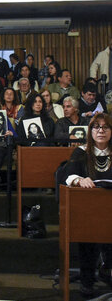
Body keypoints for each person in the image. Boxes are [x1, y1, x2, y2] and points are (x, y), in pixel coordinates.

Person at [62, 113, 112, 297]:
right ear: (90, 131)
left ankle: (107, 270)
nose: (101, 131)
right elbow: (68, 175)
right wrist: (79, 180)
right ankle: (87, 279)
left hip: (110, 209)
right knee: (87, 233)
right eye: (96, 127)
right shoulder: (81, 151)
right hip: (88, 210)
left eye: (105, 127)